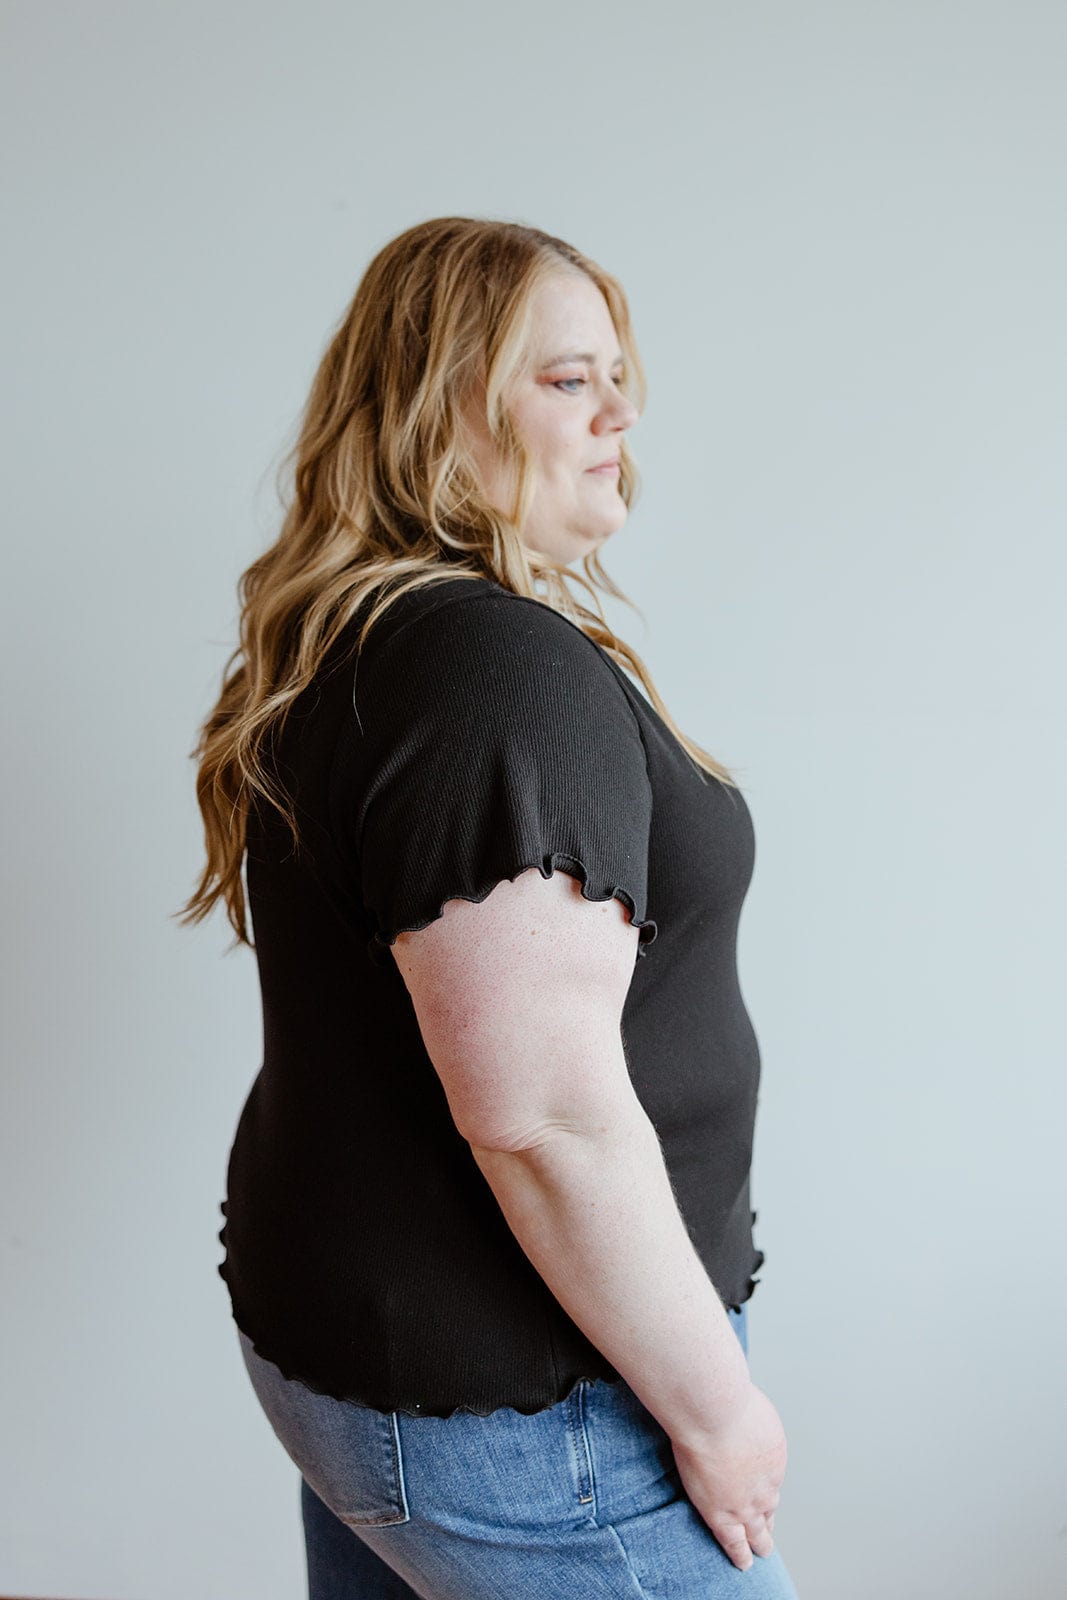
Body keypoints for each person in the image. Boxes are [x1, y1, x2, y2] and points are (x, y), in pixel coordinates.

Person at [178, 216, 801, 1599]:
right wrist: (718, 1412)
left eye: (617, 375)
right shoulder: (489, 671)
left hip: (387, 1365)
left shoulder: (356, 637)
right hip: (534, 1409)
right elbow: (546, 1119)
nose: (620, 411)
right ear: (435, 405)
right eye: (568, 379)